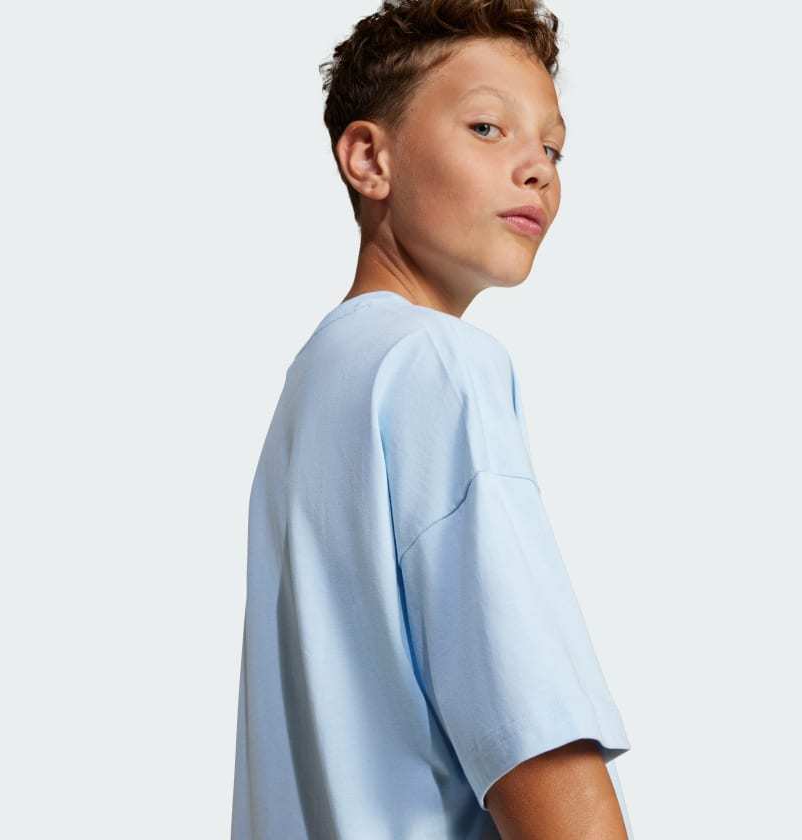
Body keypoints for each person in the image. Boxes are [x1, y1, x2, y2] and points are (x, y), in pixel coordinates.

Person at [231, 1, 633, 837]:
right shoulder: (438, 364)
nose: (537, 169)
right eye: (488, 128)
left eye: (552, 148)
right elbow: (537, 749)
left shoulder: (315, 384)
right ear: (369, 158)